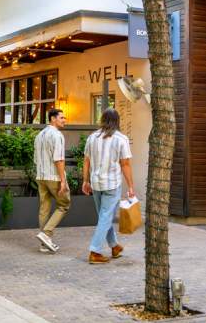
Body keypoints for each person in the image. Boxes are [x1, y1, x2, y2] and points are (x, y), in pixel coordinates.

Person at [82, 108, 135, 264]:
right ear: (117, 121)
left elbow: (86, 161)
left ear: (102, 119)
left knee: (104, 217)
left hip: (96, 183)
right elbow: (125, 164)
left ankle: (114, 246)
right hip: (112, 184)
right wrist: (131, 186)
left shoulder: (92, 137)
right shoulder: (121, 138)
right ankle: (95, 251)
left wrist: (85, 181)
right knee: (105, 217)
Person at [33, 108, 70, 253]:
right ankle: (46, 234)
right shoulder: (57, 135)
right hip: (53, 177)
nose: (64, 120)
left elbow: (36, 159)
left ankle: (44, 244)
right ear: (53, 119)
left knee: (44, 208)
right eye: (62, 118)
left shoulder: (39, 135)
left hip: (40, 176)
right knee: (64, 204)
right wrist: (62, 180)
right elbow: (59, 159)